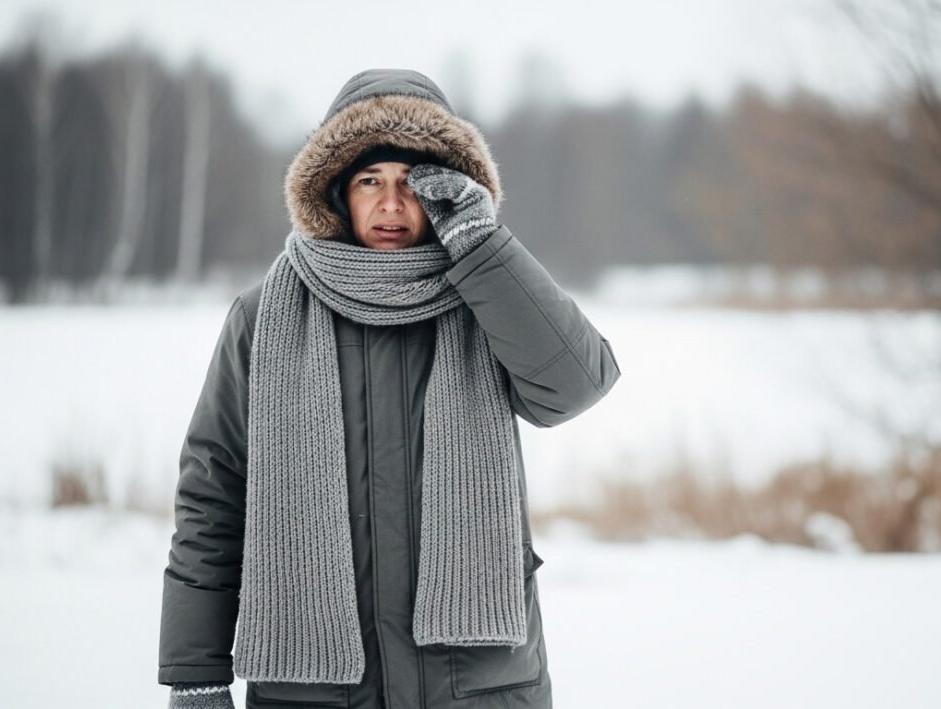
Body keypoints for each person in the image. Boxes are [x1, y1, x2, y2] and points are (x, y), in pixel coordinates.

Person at [158, 68, 622, 709]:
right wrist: (196, 673)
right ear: (333, 193)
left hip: (474, 687)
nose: (392, 204)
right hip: (315, 691)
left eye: (412, 183)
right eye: (370, 181)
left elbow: (575, 386)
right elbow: (212, 496)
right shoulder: (263, 317)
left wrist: (483, 247)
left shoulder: (488, 299)